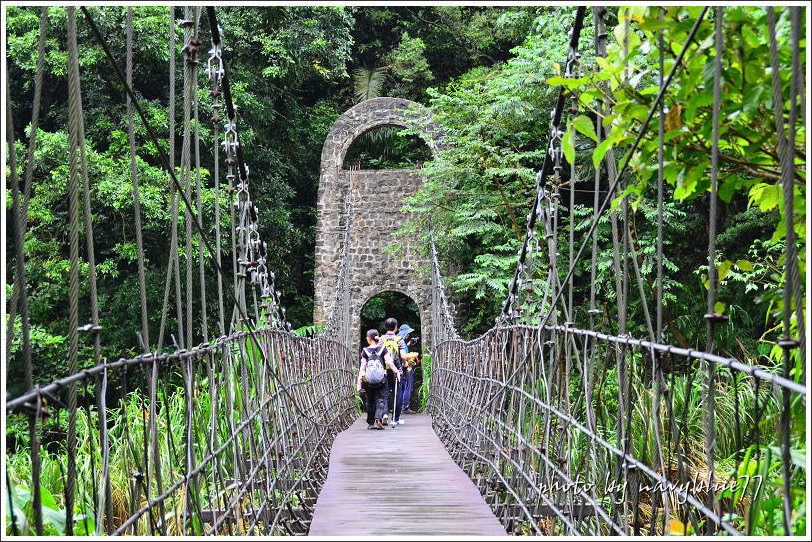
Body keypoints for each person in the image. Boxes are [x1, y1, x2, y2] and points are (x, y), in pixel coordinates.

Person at [357, 329, 401, 430]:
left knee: (370, 400)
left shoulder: (365, 351)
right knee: (381, 399)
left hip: (368, 380)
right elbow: (389, 362)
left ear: (369, 339)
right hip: (382, 379)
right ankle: (378, 418)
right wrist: (396, 372)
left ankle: (371, 422)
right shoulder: (383, 349)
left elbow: (362, 368)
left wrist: (359, 383)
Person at [380, 318, 408, 427]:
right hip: (397, 371)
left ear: (386, 327)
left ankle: (385, 414)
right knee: (398, 394)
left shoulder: (381, 339)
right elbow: (402, 356)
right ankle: (395, 419)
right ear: (396, 327)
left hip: (384, 370)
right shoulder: (399, 340)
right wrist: (405, 363)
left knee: (385, 393)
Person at [398, 323, 420, 414]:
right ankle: (405, 407)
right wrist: (414, 355)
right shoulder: (402, 342)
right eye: (408, 333)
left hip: (398, 367)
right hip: (406, 367)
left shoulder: (398, 340)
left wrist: (409, 344)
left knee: (402, 387)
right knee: (408, 386)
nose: (409, 335)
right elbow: (403, 355)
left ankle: (401, 406)